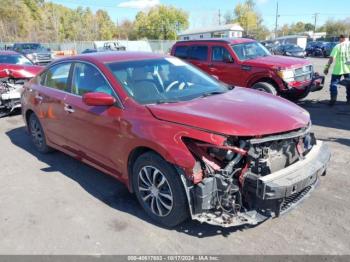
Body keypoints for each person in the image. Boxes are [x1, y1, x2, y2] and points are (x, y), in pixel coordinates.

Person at [323, 34, 350, 106]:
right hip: (349, 69)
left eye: (339, 38)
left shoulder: (337, 46)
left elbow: (331, 59)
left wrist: (326, 68)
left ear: (342, 38)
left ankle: (333, 100)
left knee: (334, 84)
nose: (339, 40)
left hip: (338, 69)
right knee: (349, 84)